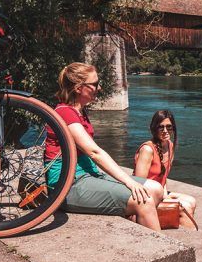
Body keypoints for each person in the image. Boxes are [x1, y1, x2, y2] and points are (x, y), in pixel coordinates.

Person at [45, 62, 163, 230]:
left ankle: (139, 231)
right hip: (69, 185)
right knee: (144, 200)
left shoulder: (80, 112)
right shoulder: (65, 113)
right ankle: (157, 249)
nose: (99, 87)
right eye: (94, 84)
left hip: (89, 176)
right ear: (79, 88)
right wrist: (129, 182)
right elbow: (94, 152)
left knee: (156, 189)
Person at [133, 110, 197, 229]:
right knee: (185, 206)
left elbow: (163, 177)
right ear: (154, 128)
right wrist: (162, 197)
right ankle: (189, 240)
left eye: (169, 127)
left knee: (192, 201)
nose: (165, 131)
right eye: (161, 127)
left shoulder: (169, 145)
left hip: (159, 193)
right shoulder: (147, 150)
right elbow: (138, 183)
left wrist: (165, 194)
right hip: (146, 198)